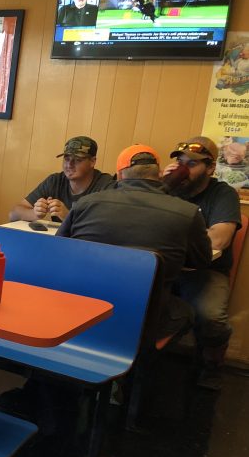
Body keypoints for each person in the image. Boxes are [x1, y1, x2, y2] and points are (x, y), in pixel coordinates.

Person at [58, 144, 211, 341]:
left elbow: (59, 250)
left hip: (80, 311)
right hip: (144, 320)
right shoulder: (188, 213)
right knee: (185, 311)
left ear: (120, 175)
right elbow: (201, 261)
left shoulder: (85, 203)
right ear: (159, 175)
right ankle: (144, 363)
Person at [161, 136, 242, 390]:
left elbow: (219, 239)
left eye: (192, 164)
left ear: (210, 168)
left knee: (210, 317)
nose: (183, 168)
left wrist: (174, 237)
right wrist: (161, 185)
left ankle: (212, 365)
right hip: (165, 267)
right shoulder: (168, 190)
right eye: (180, 162)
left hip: (205, 271)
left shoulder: (222, 194)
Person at [10, 136, 115, 222]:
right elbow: (13, 214)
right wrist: (35, 213)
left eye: (77, 160)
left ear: (92, 161)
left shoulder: (107, 186)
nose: (69, 165)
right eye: (67, 158)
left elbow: (108, 227)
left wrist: (69, 217)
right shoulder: (55, 181)